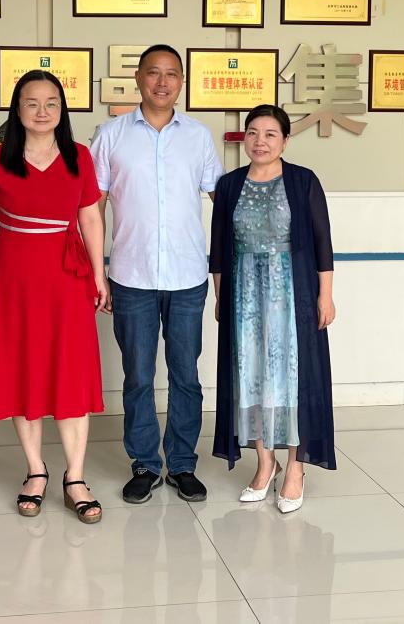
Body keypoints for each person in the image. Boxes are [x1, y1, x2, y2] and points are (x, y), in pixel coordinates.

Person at [0, 70, 108, 524]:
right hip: (12, 274)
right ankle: (35, 469)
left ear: (62, 109)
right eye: (32, 103)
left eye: (52, 103)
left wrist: (99, 273)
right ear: (17, 108)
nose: (42, 111)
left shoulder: (79, 156)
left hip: (67, 276)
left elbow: (90, 218)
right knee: (23, 370)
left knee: (71, 372)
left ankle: (76, 476)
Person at [91, 44, 224, 504]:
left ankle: (182, 463)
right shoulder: (110, 135)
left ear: (181, 81)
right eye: (153, 73)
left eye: (171, 74)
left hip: (188, 277)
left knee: (185, 374)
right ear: (138, 79)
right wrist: (97, 270)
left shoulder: (199, 137)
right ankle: (145, 463)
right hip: (132, 276)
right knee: (138, 376)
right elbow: (93, 207)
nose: (162, 82)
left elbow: (221, 199)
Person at [209, 104, 336, 514]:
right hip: (244, 295)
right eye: (252, 133)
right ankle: (265, 463)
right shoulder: (229, 184)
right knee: (250, 375)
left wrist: (325, 295)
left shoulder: (302, 181)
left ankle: (296, 467)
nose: (259, 141)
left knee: (293, 377)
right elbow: (218, 249)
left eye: (269, 134)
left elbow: (322, 242)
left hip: (292, 293)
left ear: (285, 140)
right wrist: (221, 296)